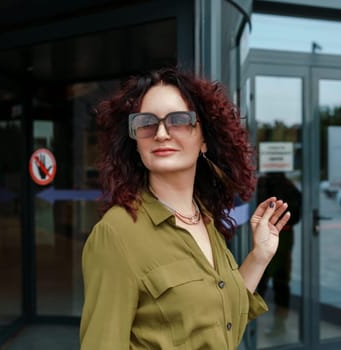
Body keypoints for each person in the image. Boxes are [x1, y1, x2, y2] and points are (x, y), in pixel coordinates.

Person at [80, 67, 292, 349]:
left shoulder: (202, 217)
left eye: (179, 120)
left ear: (203, 139)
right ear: (136, 141)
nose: (161, 133)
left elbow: (224, 323)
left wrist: (260, 256)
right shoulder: (116, 234)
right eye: (146, 123)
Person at [256, 171, 301, 336]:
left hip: (268, 233)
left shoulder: (262, 184)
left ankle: (248, 327)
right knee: (281, 281)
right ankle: (279, 324)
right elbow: (297, 214)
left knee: (260, 278)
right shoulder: (289, 185)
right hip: (286, 235)